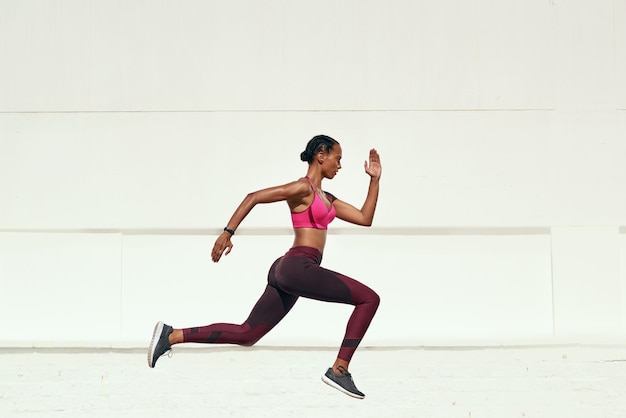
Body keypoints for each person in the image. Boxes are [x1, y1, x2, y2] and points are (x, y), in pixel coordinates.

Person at [147, 134, 381, 399]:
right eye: (337, 159)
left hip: (290, 269)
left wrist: (374, 180)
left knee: (248, 334)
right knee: (369, 299)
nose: (340, 165)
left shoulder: (328, 198)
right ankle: (339, 370)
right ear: (321, 155)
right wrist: (228, 232)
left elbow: (365, 218)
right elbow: (254, 196)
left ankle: (171, 335)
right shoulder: (302, 188)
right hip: (297, 266)